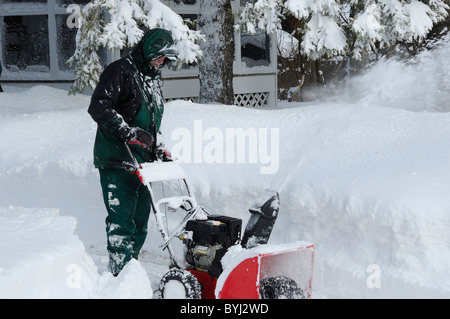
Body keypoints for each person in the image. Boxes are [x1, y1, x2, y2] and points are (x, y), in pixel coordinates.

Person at [88, 28, 177, 276]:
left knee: (140, 224)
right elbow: (98, 107)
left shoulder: (152, 77)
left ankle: (131, 274)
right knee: (121, 224)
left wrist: (157, 147)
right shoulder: (120, 71)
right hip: (117, 160)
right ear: (150, 50)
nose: (162, 63)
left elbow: (150, 122)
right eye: (160, 56)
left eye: (166, 59)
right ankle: (118, 276)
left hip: (142, 164)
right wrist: (129, 133)